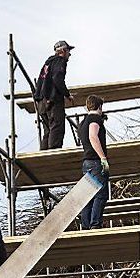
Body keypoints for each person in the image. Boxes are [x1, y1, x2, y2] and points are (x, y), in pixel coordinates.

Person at [33, 40, 74, 150]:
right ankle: (54, 152)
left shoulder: (48, 63)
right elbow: (57, 78)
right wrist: (67, 94)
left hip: (41, 101)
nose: (70, 54)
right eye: (68, 51)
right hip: (52, 100)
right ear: (63, 51)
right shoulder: (60, 61)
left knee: (47, 130)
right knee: (57, 127)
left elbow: (42, 82)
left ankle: (44, 154)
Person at [78, 94, 110, 230]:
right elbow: (93, 136)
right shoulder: (95, 119)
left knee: (88, 195)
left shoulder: (82, 122)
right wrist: (103, 157)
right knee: (101, 194)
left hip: (86, 162)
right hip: (95, 161)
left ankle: (86, 225)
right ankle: (95, 224)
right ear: (100, 106)